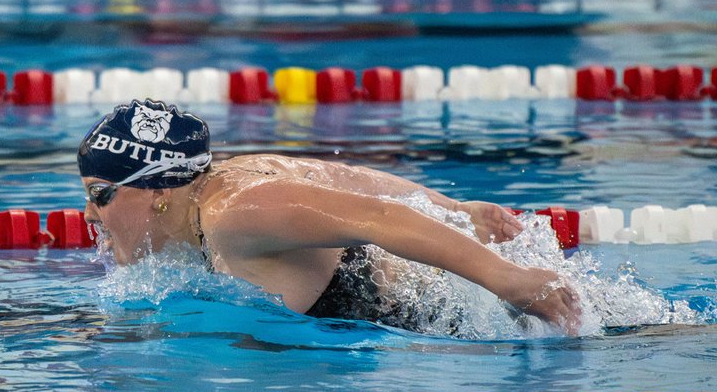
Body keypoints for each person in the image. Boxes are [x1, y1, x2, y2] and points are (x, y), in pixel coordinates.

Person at [78, 99, 581, 333]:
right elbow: (356, 181)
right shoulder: (233, 178)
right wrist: (454, 209)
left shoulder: (237, 213)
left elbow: (377, 216)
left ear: (158, 190)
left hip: (453, 326)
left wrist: (508, 277)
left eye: (101, 195)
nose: (89, 214)